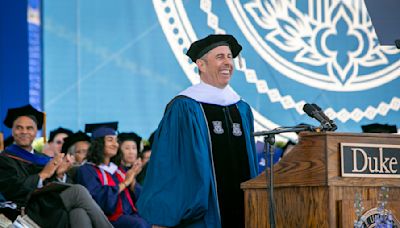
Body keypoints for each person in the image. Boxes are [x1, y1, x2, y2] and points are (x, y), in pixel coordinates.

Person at [137, 34, 258, 228]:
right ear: (201, 65)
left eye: (229, 56)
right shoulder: (185, 107)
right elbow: (171, 165)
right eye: (220, 57)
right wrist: (165, 216)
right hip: (204, 216)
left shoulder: (241, 108)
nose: (228, 62)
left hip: (243, 211)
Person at [0, 104, 113, 228]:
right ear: (12, 130)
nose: (24, 132)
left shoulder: (42, 158)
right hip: (28, 208)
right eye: (19, 128)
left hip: (50, 204)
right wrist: (43, 175)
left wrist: (60, 174)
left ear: (35, 131)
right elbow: (13, 190)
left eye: (29, 128)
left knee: (79, 213)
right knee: (78, 191)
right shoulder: (5, 158)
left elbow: (54, 185)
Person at [76, 122, 150, 228]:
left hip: (131, 215)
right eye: (110, 140)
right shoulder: (87, 170)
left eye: (116, 141)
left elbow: (138, 196)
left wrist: (132, 181)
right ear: (99, 143)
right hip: (108, 219)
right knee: (140, 224)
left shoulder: (118, 169)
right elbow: (98, 200)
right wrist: (125, 183)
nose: (115, 144)